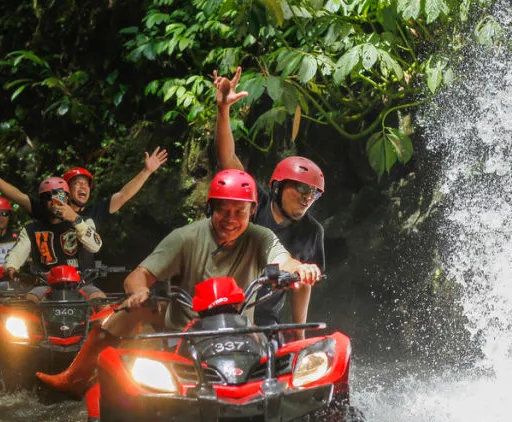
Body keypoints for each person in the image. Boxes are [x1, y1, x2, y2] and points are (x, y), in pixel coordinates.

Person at [37, 169, 321, 397]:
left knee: (288, 373)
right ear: (211, 209)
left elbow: (284, 260)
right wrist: (139, 292)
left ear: (252, 211)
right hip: (183, 334)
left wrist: (301, 269)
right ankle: (74, 377)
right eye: (224, 210)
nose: (231, 220)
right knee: (128, 313)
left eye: (240, 212)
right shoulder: (185, 237)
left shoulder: (261, 237)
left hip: (242, 335)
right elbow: (138, 276)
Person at [213, 66, 326, 332]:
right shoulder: (253, 204)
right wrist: (223, 110)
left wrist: (298, 334)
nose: (306, 197)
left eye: (313, 193)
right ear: (277, 187)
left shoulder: (312, 231)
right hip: (222, 307)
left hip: (264, 320)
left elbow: (302, 285)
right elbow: (228, 161)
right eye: (299, 189)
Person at [0, 147, 169, 230]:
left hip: (84, 281)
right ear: (64, 189)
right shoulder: (48, 210)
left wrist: (146, 171)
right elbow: (18, 196)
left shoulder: (94, 212)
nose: (83, 187)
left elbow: (124, 194)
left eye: (86, 183)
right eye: (76, 183)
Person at [1, 177, 104, 300]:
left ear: (67, 198)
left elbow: (95, 246)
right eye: (47, 197)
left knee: (100, 301)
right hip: (45, 285)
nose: (54, 201)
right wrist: (11, 267)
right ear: (42, 201)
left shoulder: (84, 221)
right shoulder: (31, 229)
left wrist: (75, 219)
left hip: (81, 284)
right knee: (29, 302)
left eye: (59, 196)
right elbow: (17, 254)